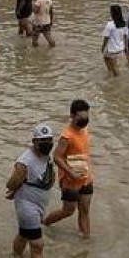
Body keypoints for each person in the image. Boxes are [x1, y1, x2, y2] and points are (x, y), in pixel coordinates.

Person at [44, 100, 94, 240]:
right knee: (68, 211)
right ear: (72, 115)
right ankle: (45, 223)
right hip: (70, 180)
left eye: (86, 118)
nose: (84, 121)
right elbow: (57, 157)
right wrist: (70, 172)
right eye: (81, 118)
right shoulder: (66, 136)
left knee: (84, 210)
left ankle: (85, 239)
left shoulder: (85, 130)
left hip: (86, 178)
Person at [6, 124, 56, 258]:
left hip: (40, 203)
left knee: (24, 234)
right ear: (34, 142)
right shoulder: (25, 161)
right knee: (37, 245)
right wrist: (17, 184)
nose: (47, 143)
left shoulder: (46, 155)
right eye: (42, 140)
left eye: (49, 140)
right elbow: (10, 183)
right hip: (28, 205)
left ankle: (16, 256)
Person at [100, 5, 128, 77]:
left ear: (112, 13)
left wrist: (103, 47)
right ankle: (111, 72)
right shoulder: (124, 23)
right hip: (120, 48)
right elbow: (125, 36)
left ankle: (116, 79)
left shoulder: (110, 24)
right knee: (106, 58)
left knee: (114, 66)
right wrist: (126, 47)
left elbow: (106, 38)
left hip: (112, 49)